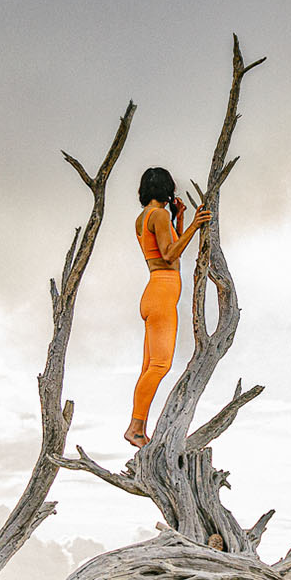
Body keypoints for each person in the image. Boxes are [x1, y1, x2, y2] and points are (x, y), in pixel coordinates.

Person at [126, 167, 211, 448]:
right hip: (162, 294)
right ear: (167, 189)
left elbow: (170, 249)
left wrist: (181, 219)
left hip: (153, 292)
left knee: (149, 367)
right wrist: (195, 226)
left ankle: (138, 428)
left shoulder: (145, 217)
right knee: (160, 365)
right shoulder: (159, 215)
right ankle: (135, 428)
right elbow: (170, 254)